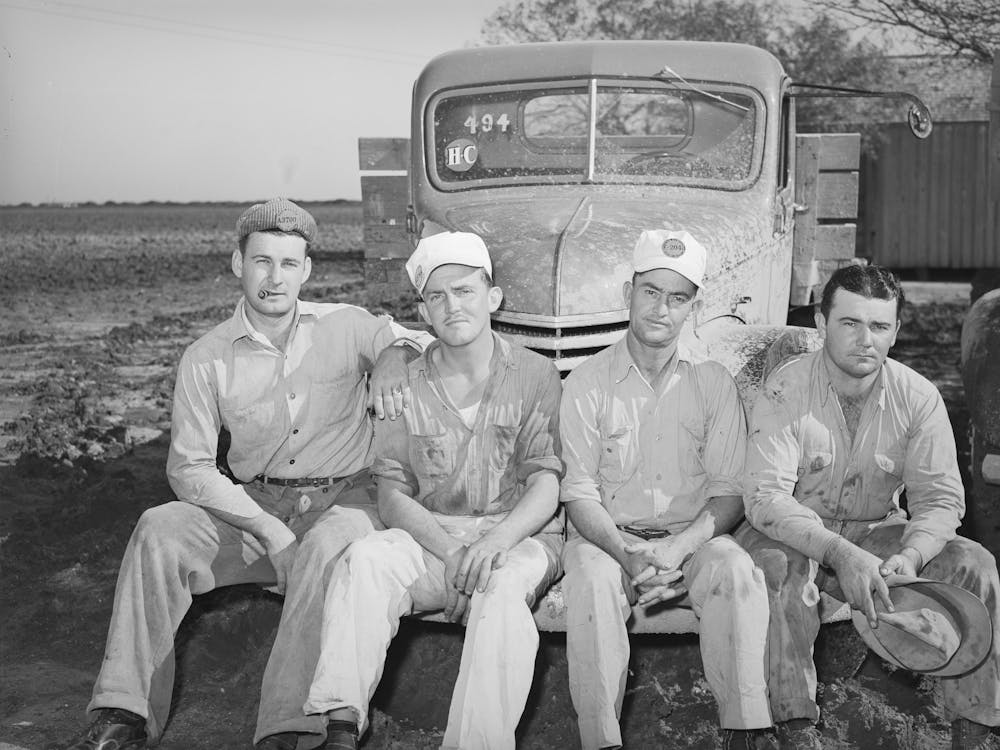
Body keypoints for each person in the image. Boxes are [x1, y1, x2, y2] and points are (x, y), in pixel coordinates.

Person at [61, 198, 430, 750]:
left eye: (288, 263)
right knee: (160, 530)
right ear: (238, 264)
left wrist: (396, 353)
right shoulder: (205, 357)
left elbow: (416, 340)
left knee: (328, 545)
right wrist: (267, 528)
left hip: (346, 500)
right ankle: (124, 714)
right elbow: (189, 468)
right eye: (262, 261)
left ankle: (289, 728)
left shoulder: (347, 324)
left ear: (306, 270)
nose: (274, 277)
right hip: (258, 507)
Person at [301, 230, 564, 750]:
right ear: (423, 310)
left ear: (493, 297)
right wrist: (452, 552)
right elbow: (394, 494)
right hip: (435, 538)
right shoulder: (407, 387)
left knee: (502, 587)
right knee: (369, 557)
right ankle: (340, 726)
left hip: (518, 537)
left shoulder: (535, 374)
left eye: (465, 290)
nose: (452, 306)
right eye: (437, 296)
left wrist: (492, 545)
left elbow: (546, 481)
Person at [739, 263, 1000, 750]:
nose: (866, 339)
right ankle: (793, 727)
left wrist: (913, 555)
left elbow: (941, 499)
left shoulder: (918, 397)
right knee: (778, 567)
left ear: (897, 331)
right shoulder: (784, 389)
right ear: (821, 324)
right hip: (792, 531)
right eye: (850, 323)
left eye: (879, 326)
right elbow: (764, 498)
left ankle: (976, 726)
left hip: (877, 531)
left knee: (975, 565)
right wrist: (839, 553)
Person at [559, 229, 773, 750]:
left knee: (736, 569)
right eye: (650, 291)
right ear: (627, 293)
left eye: (678, 298)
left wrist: (678, 549)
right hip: (609, 540)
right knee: (589, 580)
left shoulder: (713, 381)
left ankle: (744, 731)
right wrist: (628, 554)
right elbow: (580, 494)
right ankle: (601, 739)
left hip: (689, 538)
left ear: (693, 307)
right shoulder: (585, 382)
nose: (661, 309)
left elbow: (728, 491)